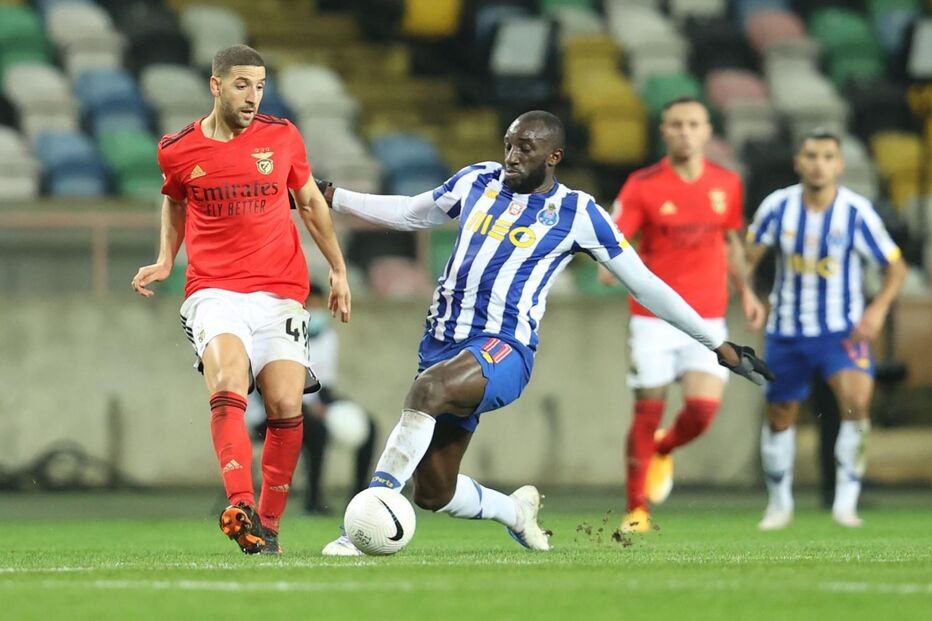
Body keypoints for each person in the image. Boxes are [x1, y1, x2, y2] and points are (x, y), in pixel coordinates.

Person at [315, 110, 772, 556]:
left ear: (553, 156)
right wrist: (333, 196)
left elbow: (646, 284)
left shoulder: (577, 212)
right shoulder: (477, 179)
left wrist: (718, 344)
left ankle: (357, 526)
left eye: (525, 149)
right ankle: (513, 511)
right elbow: (411, 212)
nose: (512, 156)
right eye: (509, 145)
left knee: (427, 391)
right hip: (442, 345)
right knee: (433, 492)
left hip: (503, 349)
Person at [130, 45, 352, 555]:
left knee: (284, 404)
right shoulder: (178, 149)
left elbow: (311, 203)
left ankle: (267, 529)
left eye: (259, 86)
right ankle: (241, 504)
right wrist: (166, 259)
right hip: (215, 290)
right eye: (241, 85)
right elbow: (174, 199)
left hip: (281, 292)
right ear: (215, 86)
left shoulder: (283, 137)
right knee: (229, 379)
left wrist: (338, 269)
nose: (252, 97)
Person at [596, 97, 766, 533]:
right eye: (677, 125)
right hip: (653, 319)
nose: (685, 132)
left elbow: (731, 243)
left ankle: (663, 449)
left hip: (708, 317)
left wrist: (745, 290)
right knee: (647, 408)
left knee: (703, 412)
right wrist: (607, 265)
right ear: (664, 132)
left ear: (708, 131)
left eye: (694, 124)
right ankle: (637, 510)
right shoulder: (642, 184)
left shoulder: (726, 183)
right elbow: (614, 237)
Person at [746, 128, 906, 530]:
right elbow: (748, 257)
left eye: (827, 157)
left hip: (842, 332)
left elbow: (896, 267)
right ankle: (779, 505)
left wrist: (878, 310)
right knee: (780, 415)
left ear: (840, 164)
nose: (819, 164)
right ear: (798, 162)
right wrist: (745, 293)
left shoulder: (856, 211)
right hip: (787, 331)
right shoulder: (776, 207)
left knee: (856, 405)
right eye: (811, 156)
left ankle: (845, 505)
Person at [247, 280, 377, 514]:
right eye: (311, 307)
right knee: (316, 431)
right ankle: (313, 500)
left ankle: (359, 499)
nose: (316, 313)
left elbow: (324, 386)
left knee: (368, 424)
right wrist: (309, 408)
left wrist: (325, 405)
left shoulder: (327, 336)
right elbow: (264, 388)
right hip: (269, 412)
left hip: (310, 404)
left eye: (320, 306)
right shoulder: (275, 336)